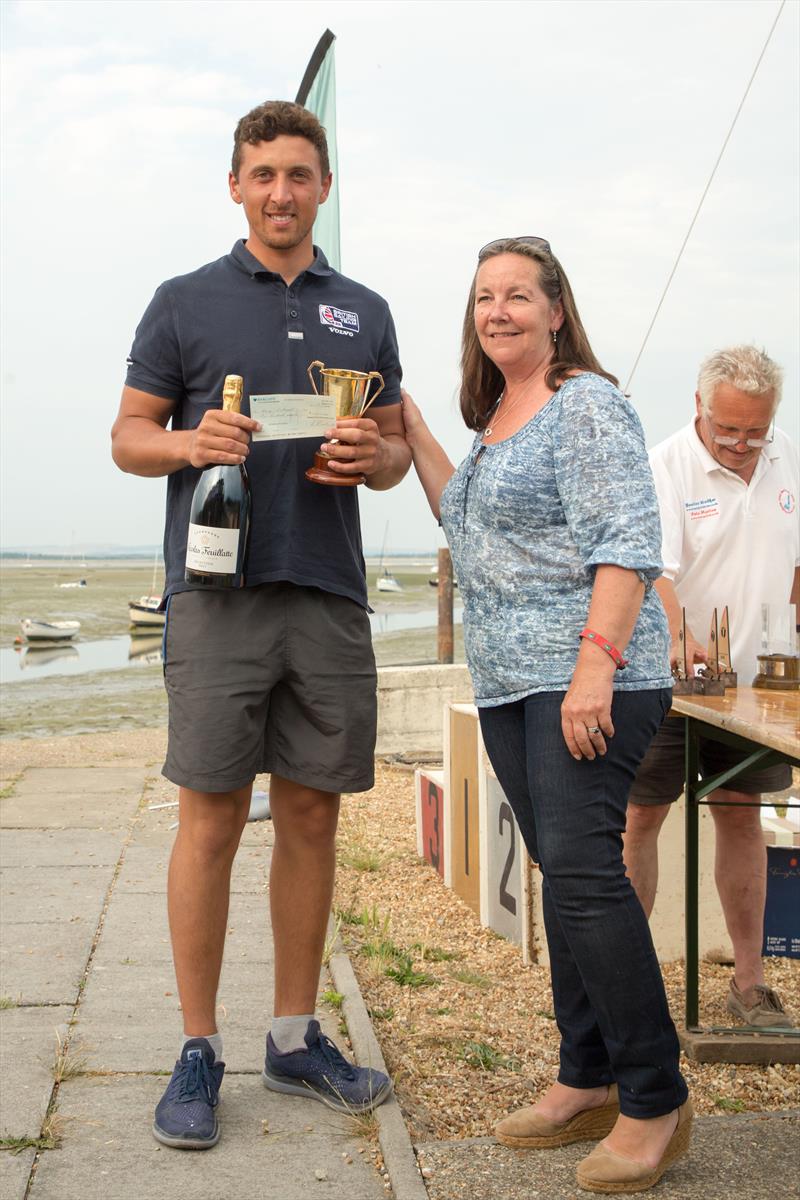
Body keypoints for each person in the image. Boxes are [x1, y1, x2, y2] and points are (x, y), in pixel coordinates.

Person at [111, 100, 411, 1149]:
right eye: (261, 174)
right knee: (208, 820)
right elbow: (127, 438)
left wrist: (366, 460)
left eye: (297, 173)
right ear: (234, 187)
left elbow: (392, 449)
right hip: (215, 597)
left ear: (322, 185)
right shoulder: (182, 301)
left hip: (326, 590)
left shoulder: (362, 310)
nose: (280, 191)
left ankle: (293, 1038)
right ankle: (198, 1047)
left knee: (315, 819)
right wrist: (192, 441)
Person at [401, 236, 691, 1194]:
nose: (498, 311)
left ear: (557, 309)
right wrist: (413, 432)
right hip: (511, 687)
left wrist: (594, 671)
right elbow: (470, 528)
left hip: (589, 677)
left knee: (584, 874)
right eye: (484, 297)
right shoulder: (496, 421)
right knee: (563, 878)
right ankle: (586, 1075)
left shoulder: (587, 406)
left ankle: (655, 1100)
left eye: (518, 295)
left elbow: (627, 547)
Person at [624, 345, 799, 1029]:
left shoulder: (786, 455)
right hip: (667, 685)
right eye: (728, 430)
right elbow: (654, 571)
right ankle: (631, 987)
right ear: (700, 408)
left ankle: (750, 985)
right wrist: (675, 638)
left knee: (740, 812)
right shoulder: (665, 465)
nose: (741, 445)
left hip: (756, 685)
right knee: (641, 816)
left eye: (754, 431)